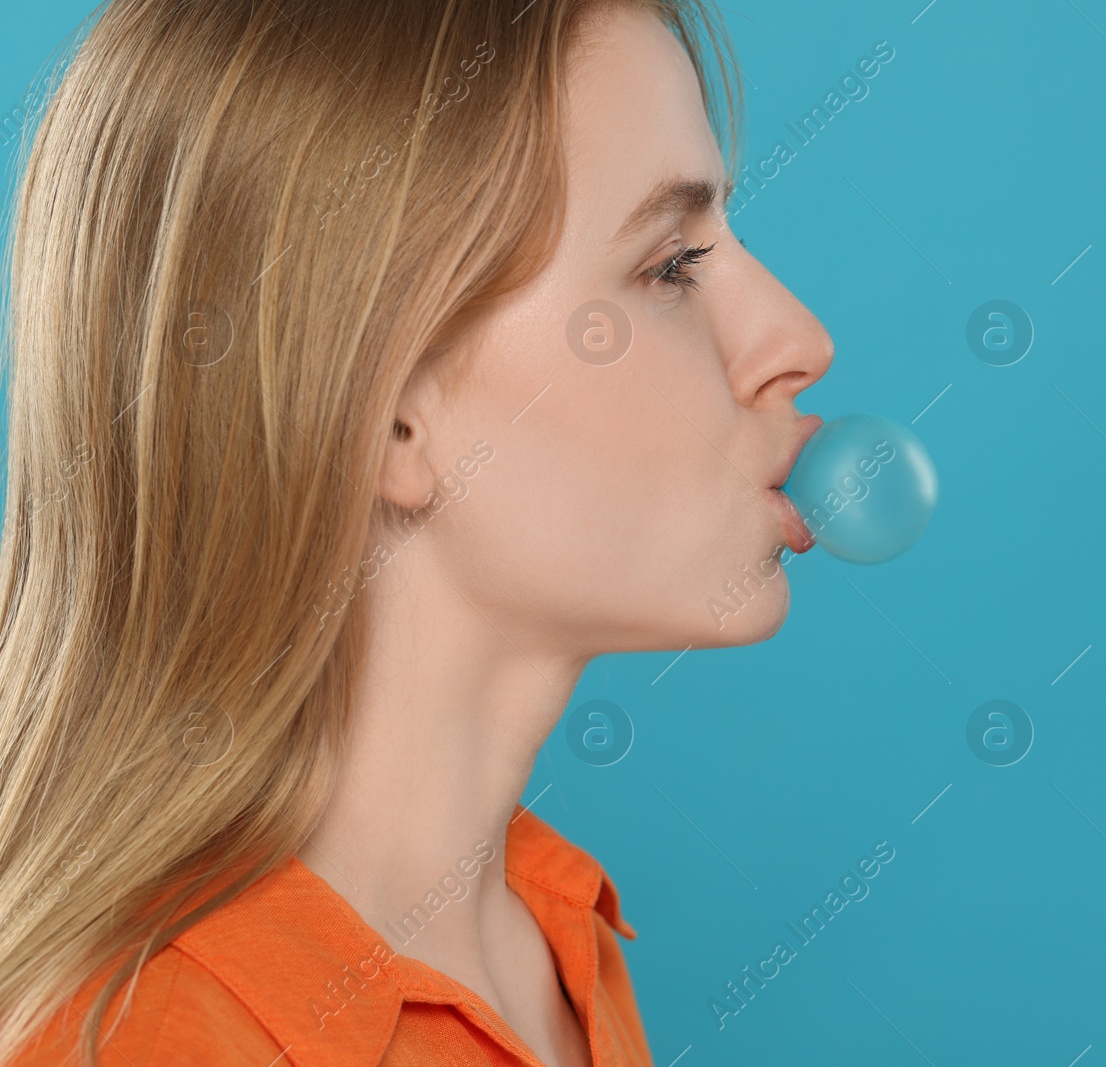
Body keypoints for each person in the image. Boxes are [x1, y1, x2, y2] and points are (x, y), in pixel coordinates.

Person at [0, 0, 832, 1063]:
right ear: (388, 410)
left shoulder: (552, 929)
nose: (797, 341)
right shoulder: (148, 1038)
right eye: (670, 265)